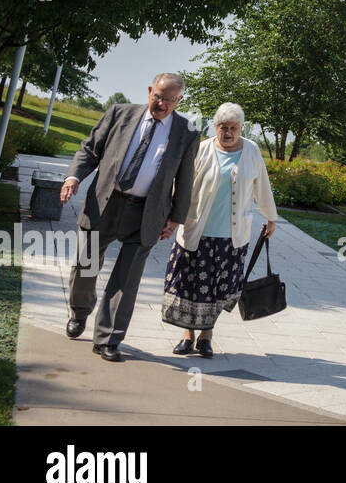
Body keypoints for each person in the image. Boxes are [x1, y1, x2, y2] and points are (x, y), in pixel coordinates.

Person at [61, 73, 200, 363]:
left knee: (127, 279)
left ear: (179, 100)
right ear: (150, 90)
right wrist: (73, 177)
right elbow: (90, 150)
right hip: (105, 203)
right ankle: (80, 311)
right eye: (158, 95)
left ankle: (108, 339)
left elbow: (185, 178)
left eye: (169, 99)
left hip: (146, 212)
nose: (161, 103)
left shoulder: (187, 132)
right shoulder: (119, 113)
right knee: (85, 266)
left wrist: (175, 217)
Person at [163, 103, 277, 357]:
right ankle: (187, 335)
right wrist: (170, 216)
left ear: (241, 128)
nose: (228, 132)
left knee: (218, 289)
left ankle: (206, 336)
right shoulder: (201, 149)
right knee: (188, 285)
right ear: (215, 127)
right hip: (196, 231)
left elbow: (262, 186)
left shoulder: (252, 151)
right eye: (223, 127)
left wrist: (271, 217)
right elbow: (181, 186)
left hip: (231, 236)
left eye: (233, 128)